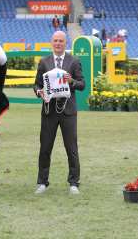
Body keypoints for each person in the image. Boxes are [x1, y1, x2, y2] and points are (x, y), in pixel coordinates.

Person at [33, 31, 85, 195]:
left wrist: (72, 82)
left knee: (71, 148)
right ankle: (42, 182)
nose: (58, 43)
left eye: (61, 41)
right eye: (55, 41)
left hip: (68, 112)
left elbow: (82, 84)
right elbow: (36, 85)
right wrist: (39, 92)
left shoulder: (74, 61)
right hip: (49, 112)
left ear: (65, 43)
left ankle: (74, 183)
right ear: (51, 43)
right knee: (45, 148)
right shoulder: (44, 62)